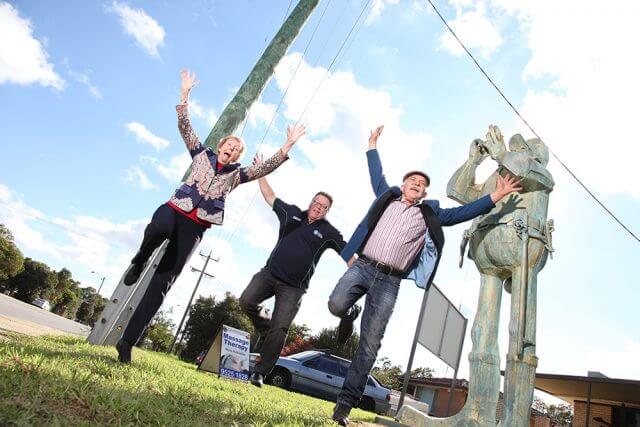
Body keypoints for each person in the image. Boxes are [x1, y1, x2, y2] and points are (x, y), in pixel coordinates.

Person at [328, 125, 522, 425]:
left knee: (370, 344)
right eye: (413, 181)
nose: (417, 184)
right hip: (363, 267)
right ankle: (349, 313)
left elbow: (462, 214)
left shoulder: (429, 214)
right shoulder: (386, 197)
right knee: (336, 305)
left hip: (390, 283)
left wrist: (495, 195)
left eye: (422, 184)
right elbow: (376, 175)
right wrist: (371, 145)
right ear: (404, 185)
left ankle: (344, 406)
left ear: (424, 193)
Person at [115, 70, 306, 364]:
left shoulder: (236, 175)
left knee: (162, 284)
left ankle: (127, 343)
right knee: (159, 225)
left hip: (195, 226)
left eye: (237, 149)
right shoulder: (201, 154)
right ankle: (140, 259)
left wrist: (288, 145)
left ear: (238, 156)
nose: (232, 150)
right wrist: (184, 95)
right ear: (220, 146)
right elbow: (185, 125)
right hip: (176, 209)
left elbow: (264, 168)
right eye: (229, 145)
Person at [239, 173, 351, 387]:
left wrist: (359, 270)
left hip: (294, 288)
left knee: (280, 328)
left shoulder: (328, 232)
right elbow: (270, 195)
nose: (318, 207)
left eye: (323, 206)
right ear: (311, 202)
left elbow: (346, 252)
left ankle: (260, 373)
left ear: (327, 211)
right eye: (316, 203)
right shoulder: (291, 214)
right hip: (269, 274)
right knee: (246, 301)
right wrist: (261, 173)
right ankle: (265, 327)